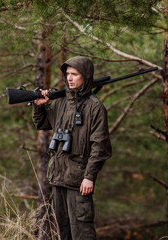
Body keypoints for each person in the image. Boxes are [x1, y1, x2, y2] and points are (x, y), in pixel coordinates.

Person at [32, 56, 112, 240]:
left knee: (82, 231)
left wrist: (89, 177)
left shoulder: (95, 107)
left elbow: (100, 147)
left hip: (79, 182)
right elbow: (42, 123)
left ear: (86, 76)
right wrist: (39, 107)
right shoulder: (60, 102)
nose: (69, 78)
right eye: (67, 74)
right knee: (62, 231)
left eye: (74, 74)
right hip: (58, 178)